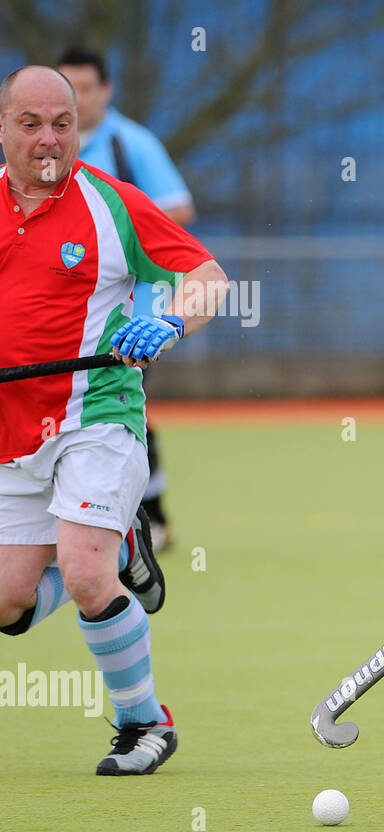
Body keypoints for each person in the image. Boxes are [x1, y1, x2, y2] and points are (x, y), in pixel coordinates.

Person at [0, 65, 227, 774]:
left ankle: (143, 725)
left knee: (87, 570)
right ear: (4, 126)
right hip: (11, 435)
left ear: (79, 130)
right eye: (30, 124)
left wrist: (171, 324)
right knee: (8, 604)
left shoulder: (111, 204)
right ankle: (114, 536)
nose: (47, 140)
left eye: (61, 125)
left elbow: (208, 278)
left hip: (97, 414)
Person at [58, 47, 197, 547]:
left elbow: (180, 208)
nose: (75, 99)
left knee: (122, 408)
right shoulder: (44, 148)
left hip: (131, 312)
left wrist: (122, 230)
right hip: (63, 314)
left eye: (86, 88)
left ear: (107, 90)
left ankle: (148, 521)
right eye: (65, 88)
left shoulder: (129, 143)